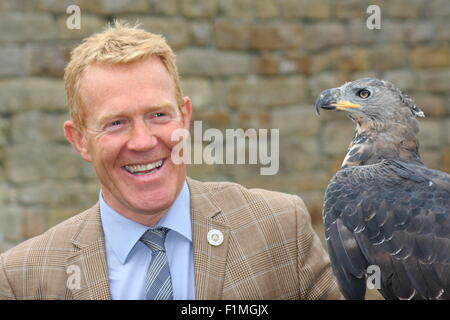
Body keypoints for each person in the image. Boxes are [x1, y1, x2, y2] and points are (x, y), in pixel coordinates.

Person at [0, 21, 343, 300]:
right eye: (116, 123)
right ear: (79, 140)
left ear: (185, 117)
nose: (143, 141)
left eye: (159, 115)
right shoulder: (23, 278)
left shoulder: (279, 228)